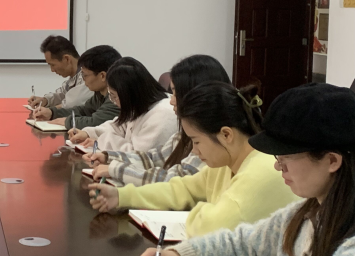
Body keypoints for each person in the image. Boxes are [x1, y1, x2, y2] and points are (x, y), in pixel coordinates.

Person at [136, 84, 355, 256]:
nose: (277, 167)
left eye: (286, 157)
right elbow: (243, 246)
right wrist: (178, 255)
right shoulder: (306, 213)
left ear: (332, 160)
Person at [88, 82, 298, 238]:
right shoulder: (226, 163)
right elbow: (181, 189)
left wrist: (199, 209)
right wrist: (121, 196)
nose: (195, 152)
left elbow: (211, 226)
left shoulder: (261, 170)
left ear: (226, 134)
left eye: (196, 142)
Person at [86, 55, 231, 186]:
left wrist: (116, 169)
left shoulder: (212, 140)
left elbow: (177, 181)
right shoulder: (187, 133)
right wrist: (108, 157)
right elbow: (154, 157)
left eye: (176, 94)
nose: (171, 101)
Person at [69, 57, 177, 153]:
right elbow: (119, 125)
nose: (113, 101)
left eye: (114, 96)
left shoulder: (163, 116)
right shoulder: (140, 105)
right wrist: (88, 133)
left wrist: (101, 141)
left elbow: (138, 156)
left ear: (129, 94)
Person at [31, 45, 122, 130]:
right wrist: (52, 113)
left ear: (102, 76)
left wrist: (68, 122)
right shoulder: (100, 93)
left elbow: (96, 122)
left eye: (85, 75)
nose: (83, 79)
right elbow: (84, 110)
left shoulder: (118, 96)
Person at [27, 36, 90, 110]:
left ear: (66, 59)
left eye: (53, 65)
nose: (52, 70)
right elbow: (62, 95)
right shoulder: (73, 77)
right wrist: (45, 100)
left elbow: (72, 104)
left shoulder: (89, 77)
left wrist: (50, 111)